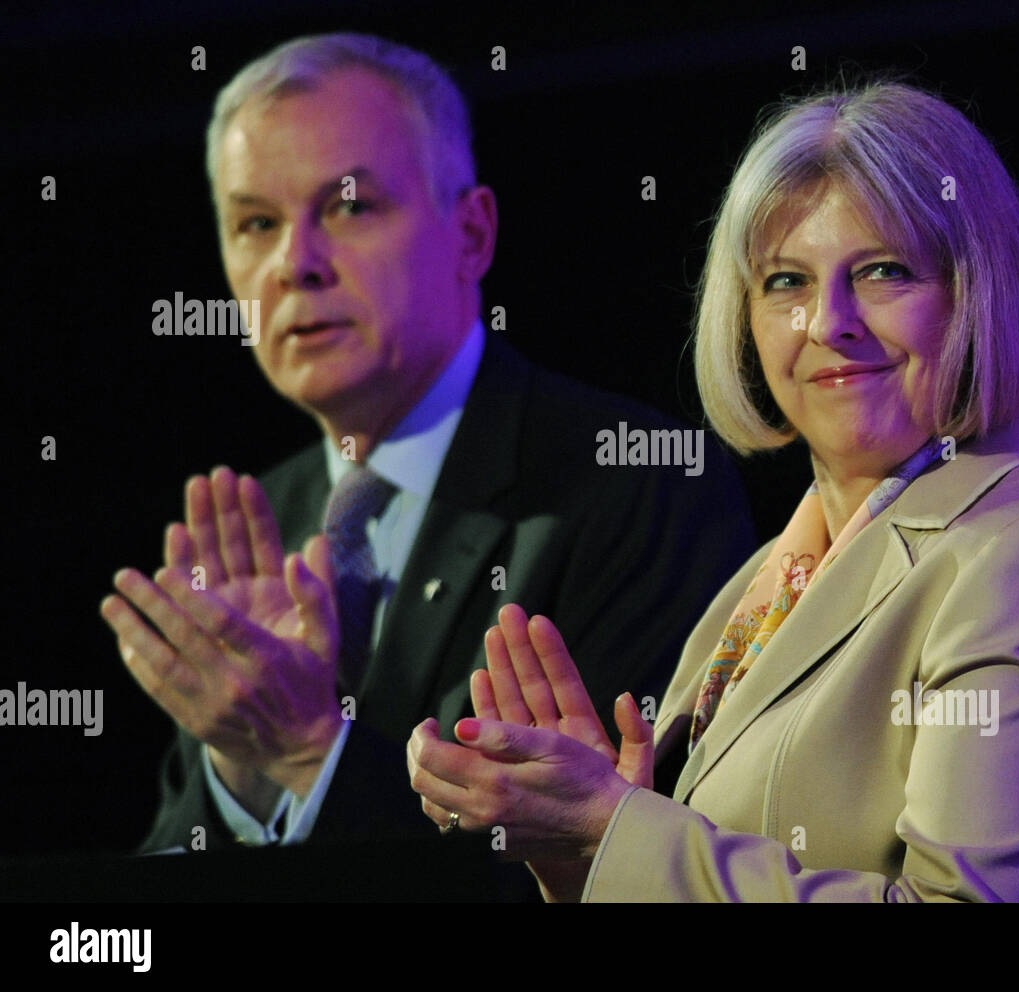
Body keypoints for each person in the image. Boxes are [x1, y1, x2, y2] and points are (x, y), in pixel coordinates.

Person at [405, 81, 1019, 901]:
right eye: (786, 283)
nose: (826, 323)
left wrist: (616, 833)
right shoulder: (763, 582)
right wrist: (576, 851)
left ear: (980, 294)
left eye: (882, 273)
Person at [98, 33, 754, 855]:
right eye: (256, 223)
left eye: (348, 207)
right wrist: (246, 761)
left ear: (472, 235)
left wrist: (310, 752)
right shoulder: (259, 522)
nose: (294, 264)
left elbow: (611, 864)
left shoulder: (638, 487)